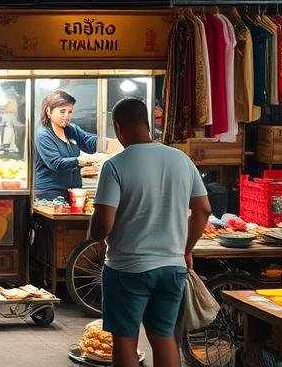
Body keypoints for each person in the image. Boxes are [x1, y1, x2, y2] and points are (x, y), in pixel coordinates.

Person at [89, 98, 212, 367]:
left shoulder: (115, 165)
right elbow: (203, 209)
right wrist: (185, 250)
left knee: (125, 340)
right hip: (172, 268)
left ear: (117, 127)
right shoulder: (181, 160)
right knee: (164, 336)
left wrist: (94, 235)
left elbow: (103, 225)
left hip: (127, 268)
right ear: (147, 123)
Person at [33, 89, 100, 200]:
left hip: (73, 192)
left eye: (70, 112)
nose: (66, 116)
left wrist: (108, 142)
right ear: (48, 111)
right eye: (62, 111)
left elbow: (89, 142)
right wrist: (81, 161)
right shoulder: (43, 134)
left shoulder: (71, 129)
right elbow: (56, 163)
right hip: (49, 194)